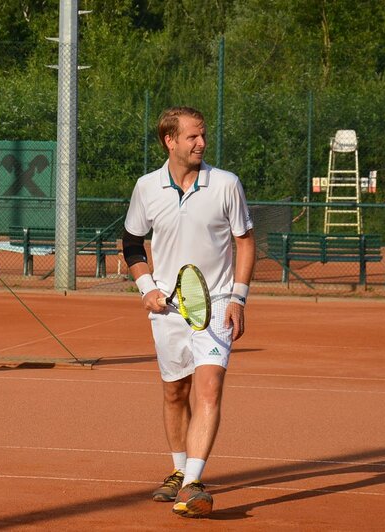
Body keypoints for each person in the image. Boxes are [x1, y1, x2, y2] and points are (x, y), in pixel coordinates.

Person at [122, 107, 255, 518]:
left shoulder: (226, 184)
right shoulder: (146, 187)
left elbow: (245, 242)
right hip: (167, 310)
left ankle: (195, 482)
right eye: (193, 137)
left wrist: (238, 298)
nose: (201, 143)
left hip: (215, 305)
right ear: (170, 141)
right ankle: (179, 472)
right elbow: (130, 244)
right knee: (174, 392)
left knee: (208, 390)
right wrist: (146, 287)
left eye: (203, 136)